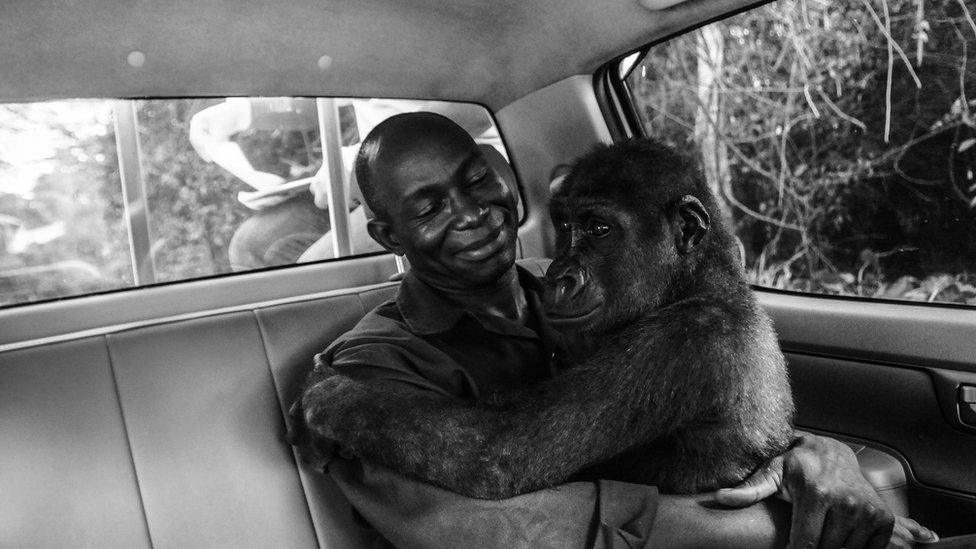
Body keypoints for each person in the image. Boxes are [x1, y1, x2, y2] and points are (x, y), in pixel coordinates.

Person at [293, 112, 936, 548]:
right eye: (429, 207)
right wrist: (773, 526)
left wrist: (817, 454)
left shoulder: (587, 289)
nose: (471, 214)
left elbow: (699, 421)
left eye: (477, 181)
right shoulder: (369, 366)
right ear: (388, 237)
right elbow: (486, 526)